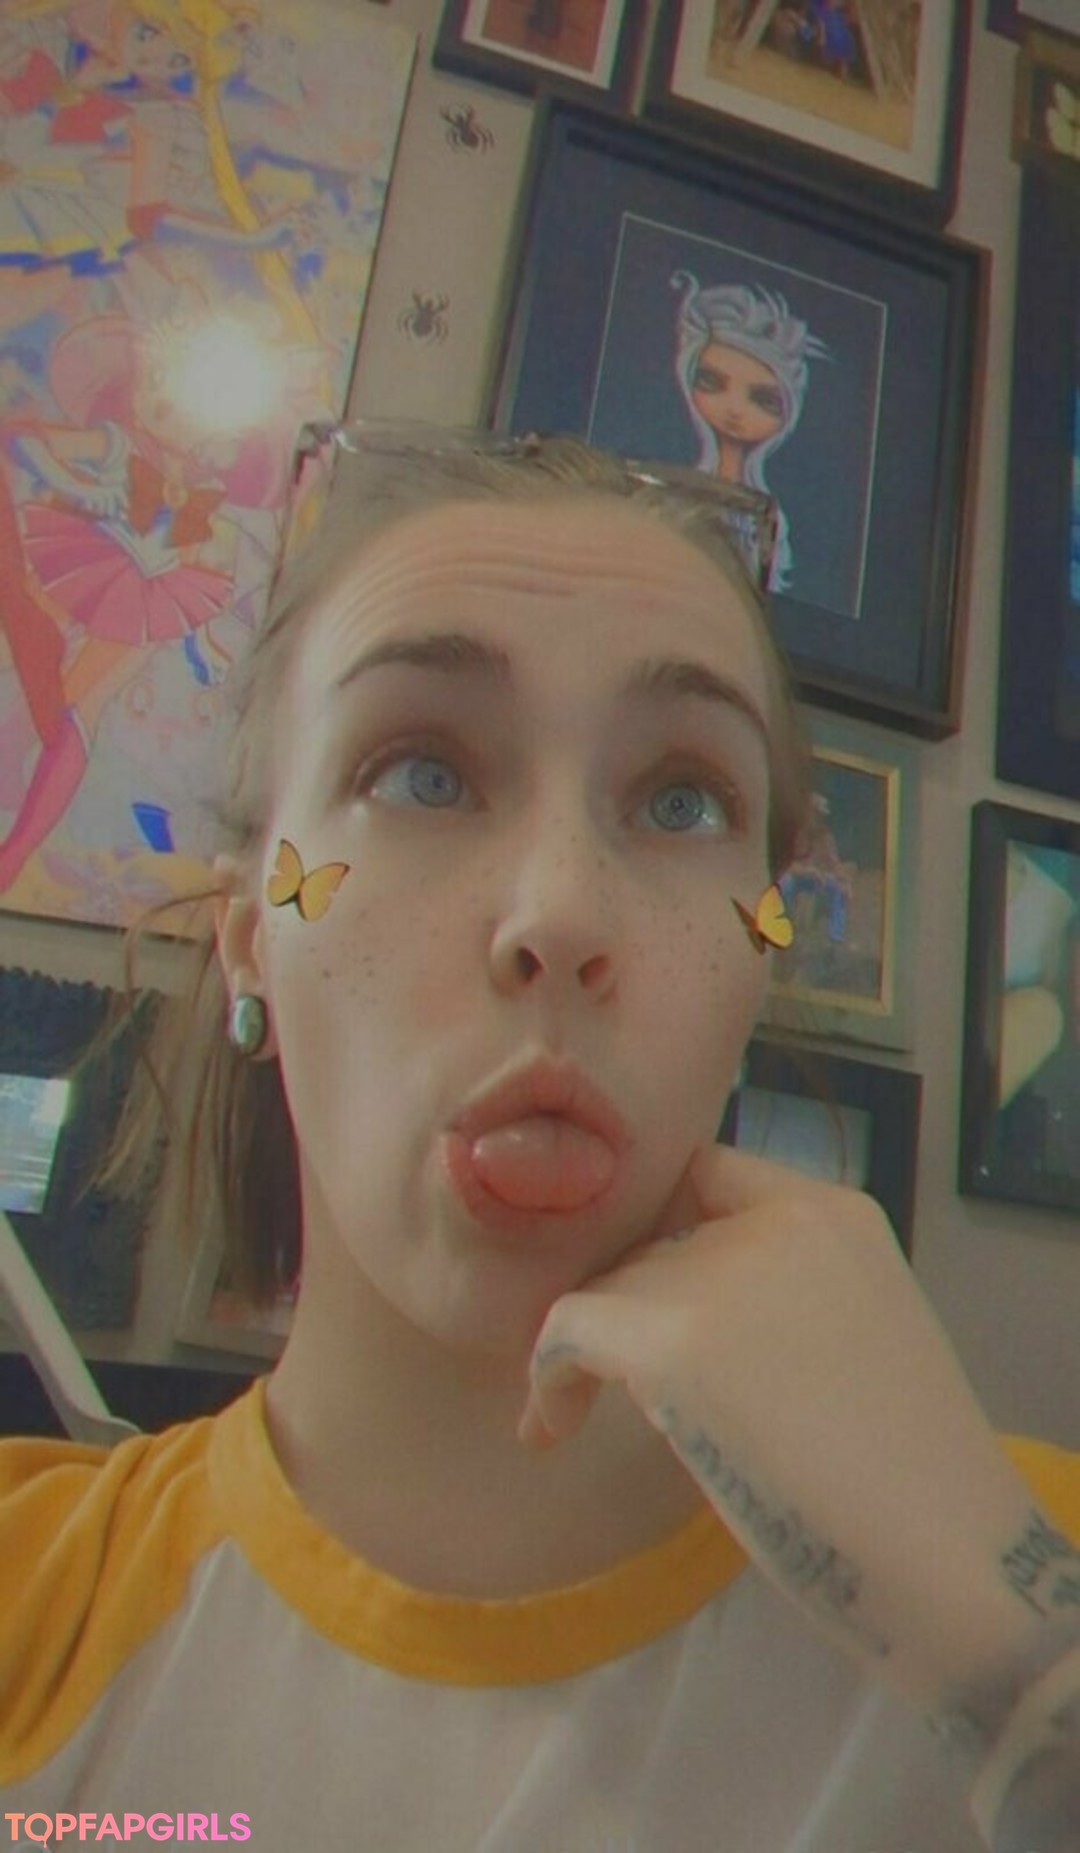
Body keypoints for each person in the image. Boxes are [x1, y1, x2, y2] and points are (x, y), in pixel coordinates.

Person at [2, 423, 1080, 1853]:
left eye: (683, 800)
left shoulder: (1029, 1558)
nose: (562, 913)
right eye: (421, 774)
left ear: (764, 951)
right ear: (251, 934)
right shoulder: (32, 1600)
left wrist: (1017, 1667)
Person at [671, 271, 827, 593]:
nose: (735, 410)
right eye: (711, 382)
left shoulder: (771, 518)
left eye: (763, 400)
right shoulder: (675, 491)